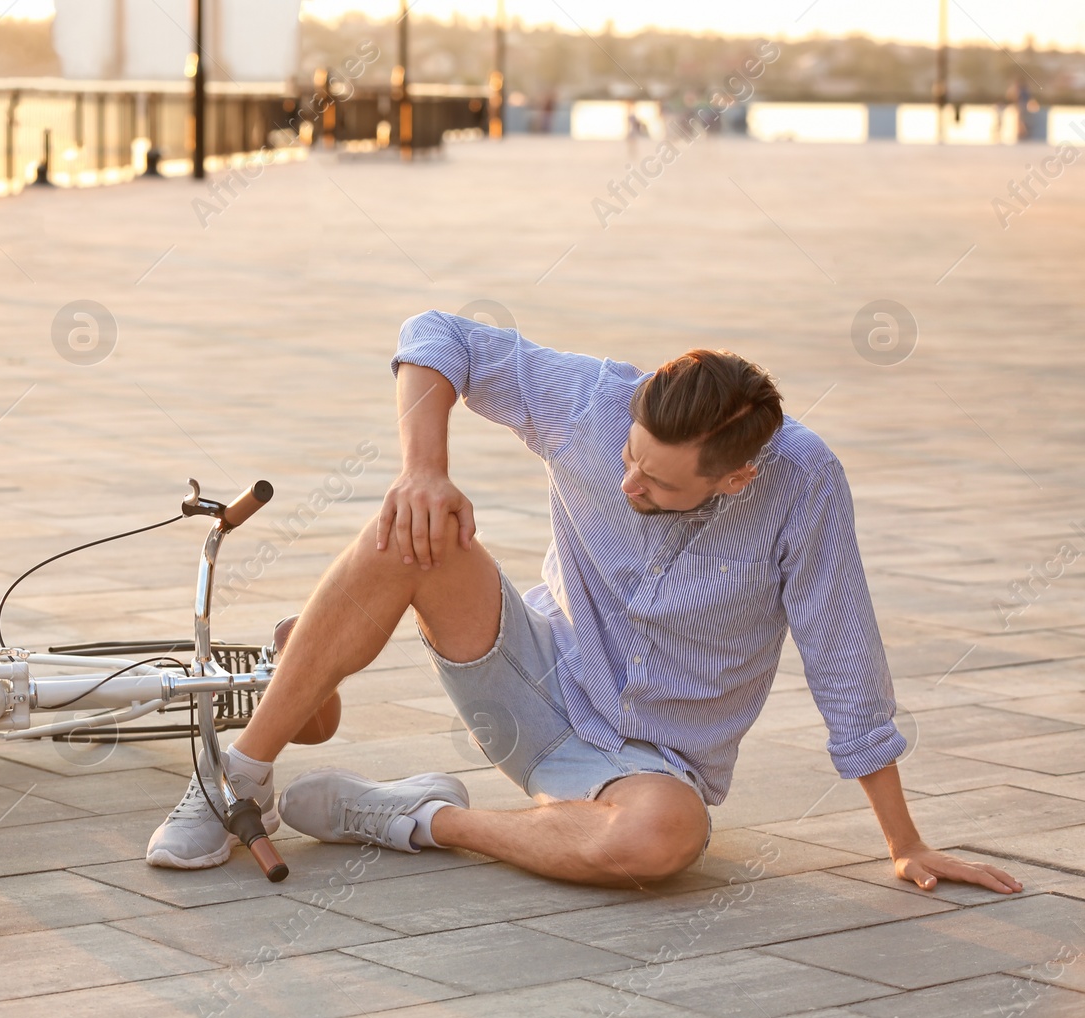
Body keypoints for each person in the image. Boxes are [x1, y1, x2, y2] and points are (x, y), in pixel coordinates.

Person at [147, 311, 1023, 894]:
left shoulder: (804, 486)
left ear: (739, 477)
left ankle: (414, 817)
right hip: (532, 672)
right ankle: (236, 775)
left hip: (650, 763)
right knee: (409, 524)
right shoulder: (596, 400)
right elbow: (436, 332)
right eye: (631, 456)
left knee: (665, 843)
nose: (628, 479)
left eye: (658, 480)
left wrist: (902, 840)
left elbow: (845, 655)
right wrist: (424, 469)